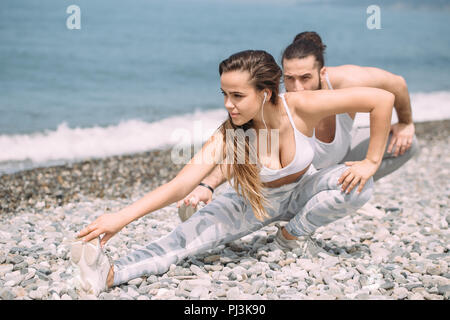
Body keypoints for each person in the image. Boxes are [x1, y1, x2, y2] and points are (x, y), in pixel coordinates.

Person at [71, 49, 394, 295]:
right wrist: (120, 218)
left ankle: (291, 236)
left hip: (302, 190)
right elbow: (179, 184)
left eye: (237, 96)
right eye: (225, 94)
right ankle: (109, 273)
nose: (228, 104)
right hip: (250, 205)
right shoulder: (229, 134)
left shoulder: (301, 107)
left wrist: (372, 161)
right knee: (181, 244)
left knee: (359, 185)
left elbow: (381, 98)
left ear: (265, 93)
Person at [178, 31, 418, 218]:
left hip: (340, 152)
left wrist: (404, 124)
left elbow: (397, 85)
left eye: (305, 78)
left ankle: (353, 187)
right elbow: (247, 146)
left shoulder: (348, 81)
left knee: (408, 144)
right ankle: (329, 197)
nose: (297, 88)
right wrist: (206, 185)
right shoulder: (280, 105)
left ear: (322, 72)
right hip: (304, 173)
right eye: (289, 79)